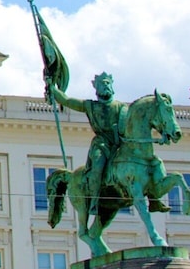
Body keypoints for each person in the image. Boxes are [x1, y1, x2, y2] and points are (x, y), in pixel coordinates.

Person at [47, 72, 170, 212]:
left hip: (120, 145)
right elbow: (67, 101)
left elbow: (140, 125)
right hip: (102, 144)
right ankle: (93, 200)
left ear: (112, 87)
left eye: (107, 83)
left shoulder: (122, 108)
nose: (105, 86)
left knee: (151, 162)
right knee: (98, 165)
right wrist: (53, 89)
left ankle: (154, 199)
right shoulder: (90, 106)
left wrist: (161, 135)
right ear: (96, 88)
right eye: (101, 84)